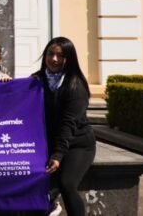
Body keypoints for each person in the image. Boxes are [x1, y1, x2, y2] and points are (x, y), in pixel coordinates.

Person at [33, 37, 96, 216]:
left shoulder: (76, 85)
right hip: (50, 144)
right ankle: (52, 207)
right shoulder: (37, 80)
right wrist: (3, 81)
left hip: (78, 144)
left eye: (60, 56)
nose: (54, 59)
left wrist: (58, 154)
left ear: (69, 59)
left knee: (67, 183)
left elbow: (68, 124)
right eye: (50, 54)